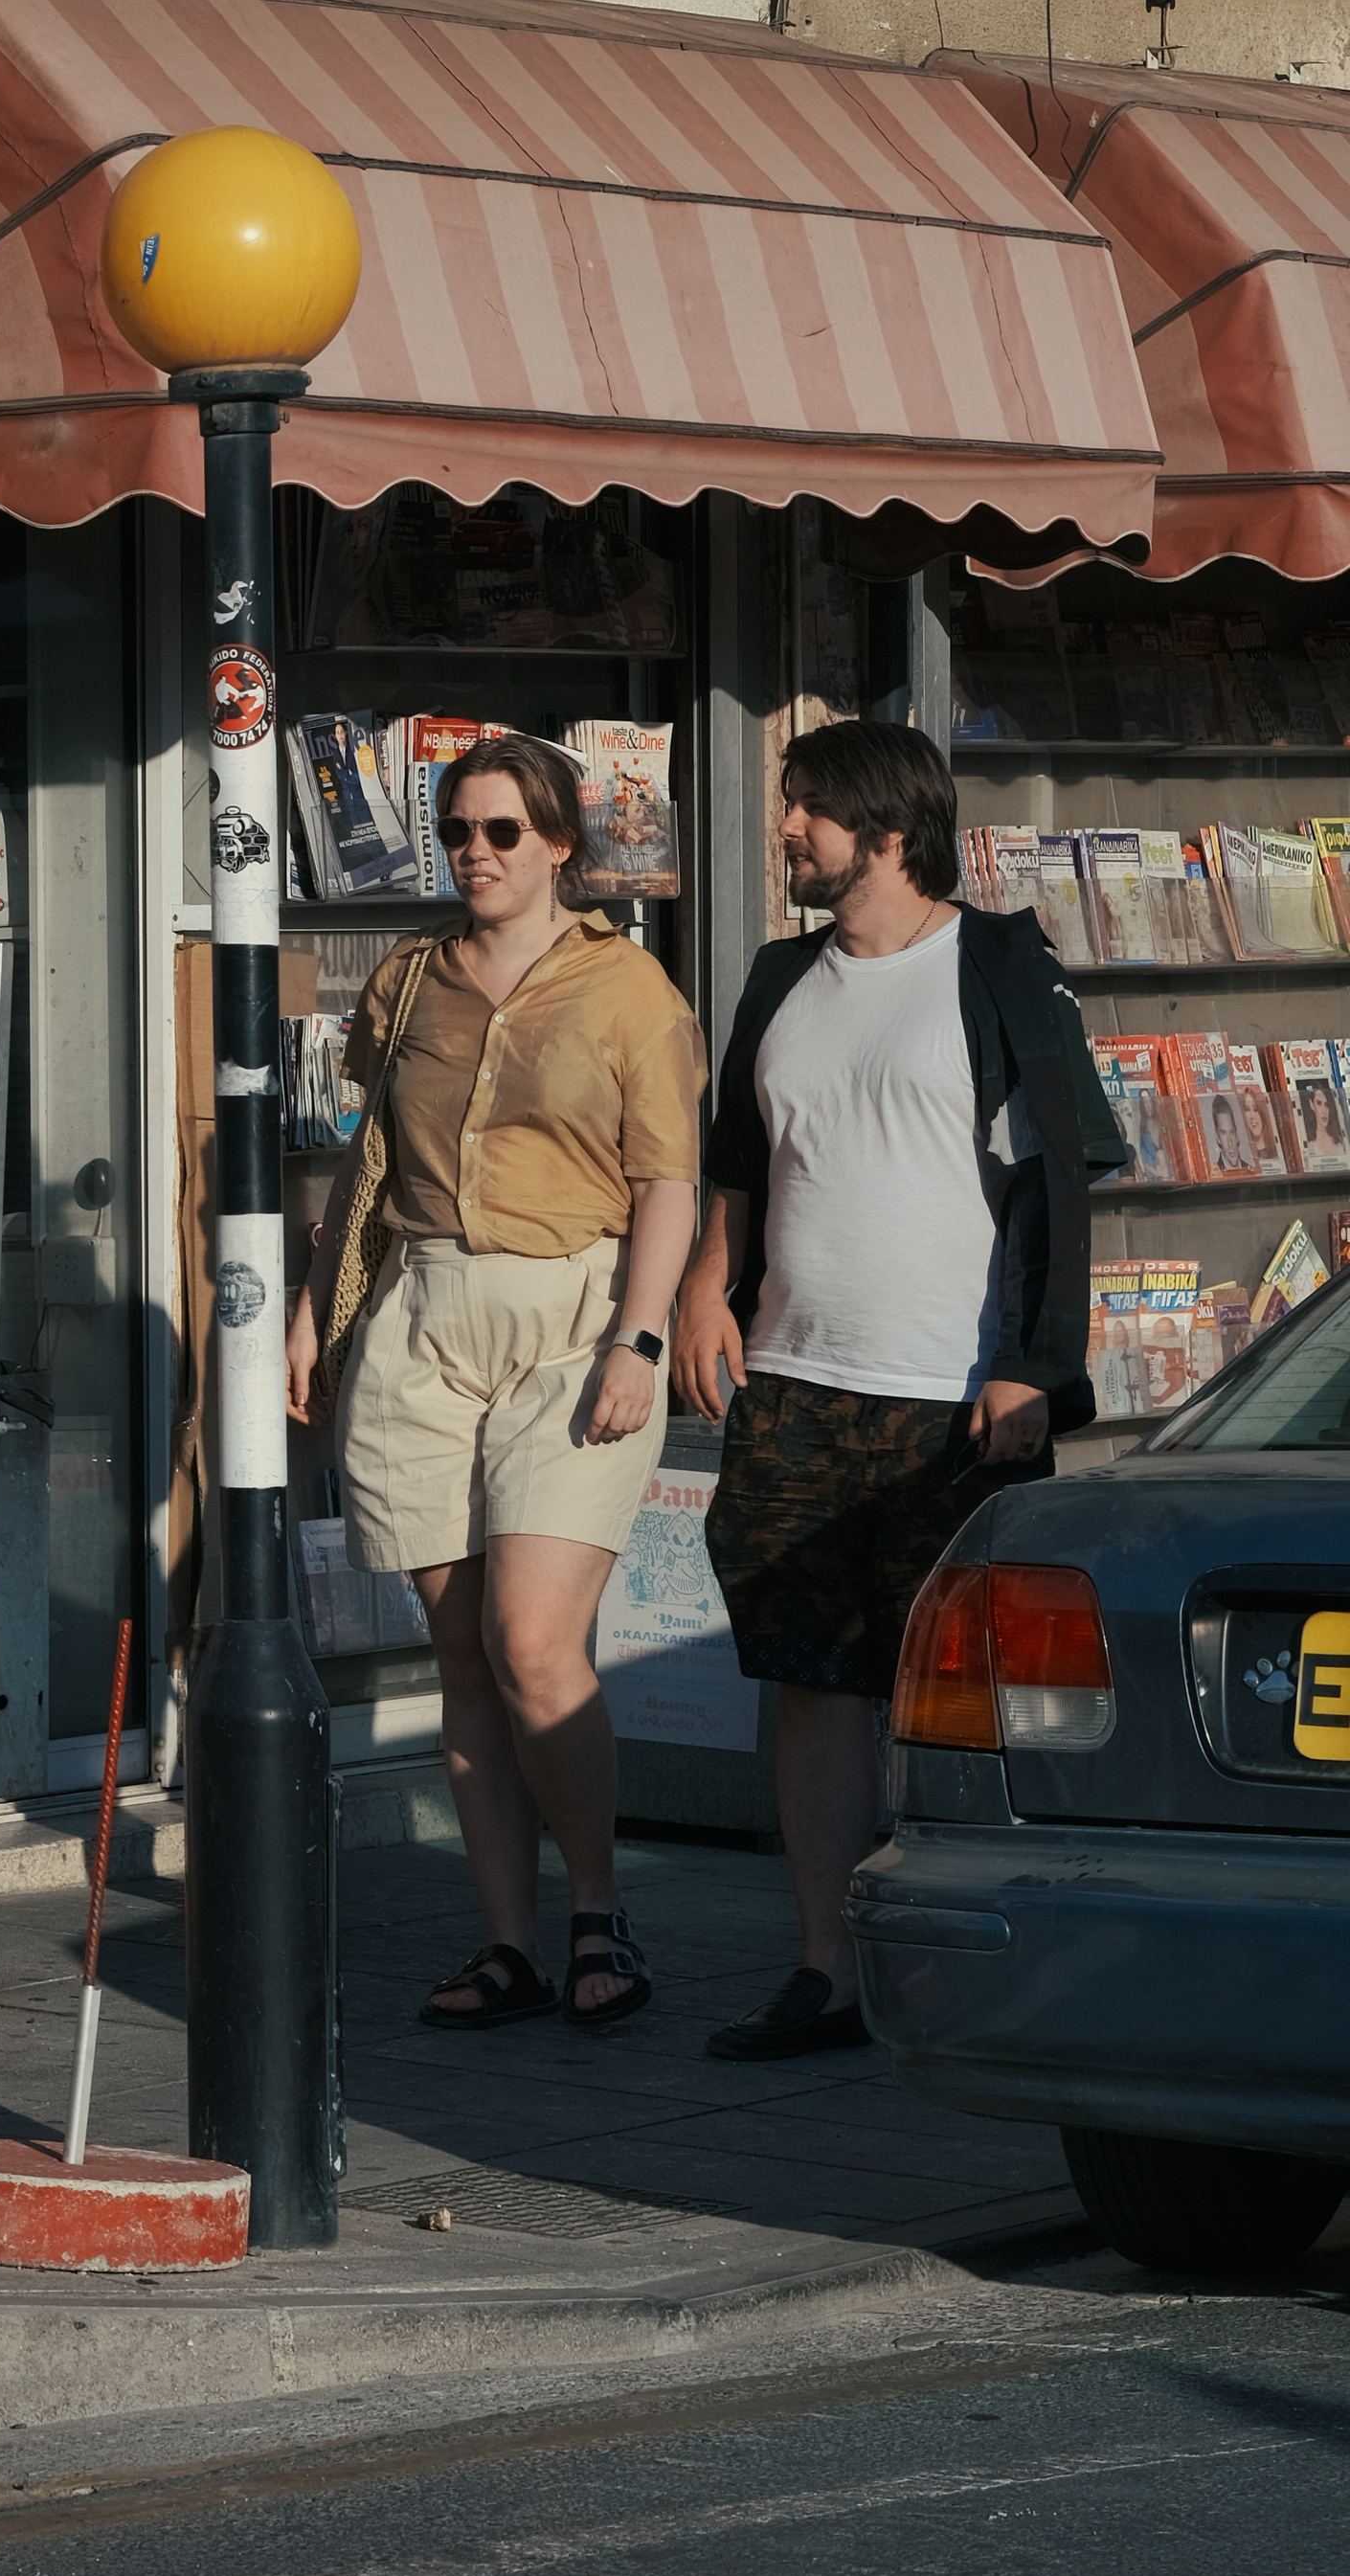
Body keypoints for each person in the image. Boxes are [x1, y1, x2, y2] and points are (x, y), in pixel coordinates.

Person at [672, 719, 1124, 2060]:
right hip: (800, 1381)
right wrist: (709, 1286)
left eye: (806, 809)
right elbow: (742, 1164)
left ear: (883, 828)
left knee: (964, 1695)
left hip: (952, 1398)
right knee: (810, 1680)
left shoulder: (997, 966)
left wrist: (1033, 1366)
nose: (785, 830)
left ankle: (983, 1963)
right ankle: (829, 1971)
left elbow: (1060, 1178)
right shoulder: (774, 976)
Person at [287, 734, 705, 2029]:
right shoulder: (409, 978)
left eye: (503, 832)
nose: (476, 852)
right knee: (461, 1649)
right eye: (459, 831)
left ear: (561, 845)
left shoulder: (630, 990)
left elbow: (667, 1185)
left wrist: (642, 1339)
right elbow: (367, 1168)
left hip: (576, 1316)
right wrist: (315, 1317)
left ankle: (599, 1909)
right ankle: (510, 1942)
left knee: (534, 1640)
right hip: (424, 1317)